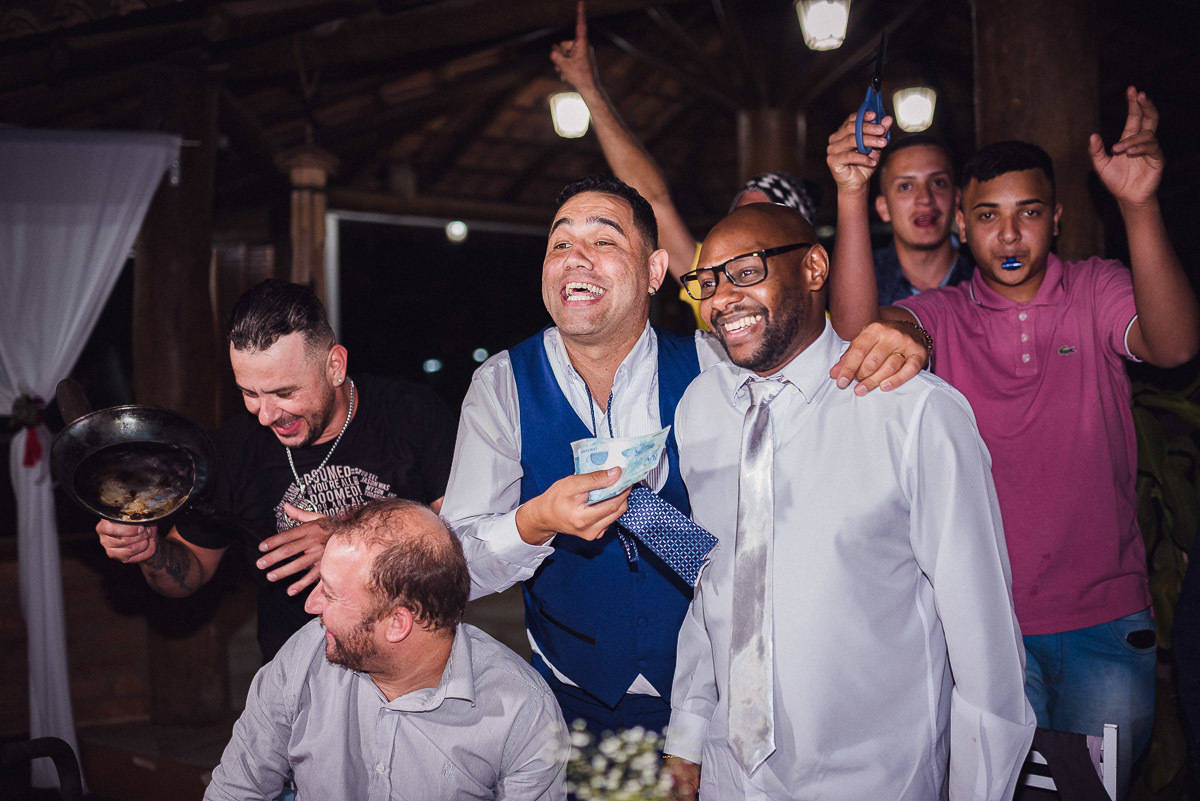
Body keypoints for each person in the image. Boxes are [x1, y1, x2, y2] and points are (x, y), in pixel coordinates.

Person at [441, 174, 932, 740]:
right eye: (560, 244)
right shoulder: (501, 385)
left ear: (655, 272)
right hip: (565, 698)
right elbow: (460, 574)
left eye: (603, 242)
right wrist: (535, 522)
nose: (576, 259)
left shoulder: (717, 365)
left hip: (721, 695)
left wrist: (906, 327)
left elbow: (824, 364)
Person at [827, 87, 1200, 799]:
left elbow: (1175, 341)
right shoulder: (944, 311)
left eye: (1028, 214)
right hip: (986, 630)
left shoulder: (1097, 288)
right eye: (990, 217)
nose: (1009, 235)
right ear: (963, 228)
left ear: (1055, 219)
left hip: (1105, 624)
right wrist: (851, 196)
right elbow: (858, 334)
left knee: (1090, 795)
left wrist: (1139, 205)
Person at [662, 202, 1035, 800]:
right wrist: (687, 737)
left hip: (875, 776)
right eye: (707, 282)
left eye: (746, 271)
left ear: (813, 268)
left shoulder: (913, 413)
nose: (721, 297)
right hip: (732, 775)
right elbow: (714, 584)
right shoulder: (699, 409)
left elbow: (984, 640)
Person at [95, 280, 457, 661]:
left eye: (285, 393)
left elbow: (459, 541)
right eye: (249, 393)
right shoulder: (234, 449)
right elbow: (189, 573)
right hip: (300, 675)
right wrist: (150, 552)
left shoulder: (411, 414)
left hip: (411, 662)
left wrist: (348, 540)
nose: (265, 415)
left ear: (335, 365)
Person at [204, 498, 569, 801]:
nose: (312, 606)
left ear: (397, 623)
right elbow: (237, 791)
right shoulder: (306, 653)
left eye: (330, 593)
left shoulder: (522, 710)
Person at [550, 1, 819, 328]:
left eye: (765, 220)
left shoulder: (841, 336)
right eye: (739, 218)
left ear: (811, 262)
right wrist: (589, 89)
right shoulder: (714, 294)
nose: (746, 232)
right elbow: (655, 201)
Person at [827, 126, 973, 316]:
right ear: (883, 208)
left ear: (956, 199)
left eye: (938, 182)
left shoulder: (985, 272)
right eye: (906, 186)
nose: (925, 198)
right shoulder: (858, 279)